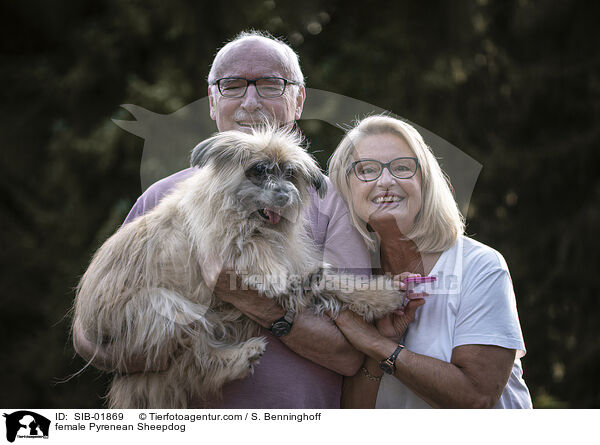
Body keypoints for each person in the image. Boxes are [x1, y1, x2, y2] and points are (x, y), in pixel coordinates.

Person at [72, 31, 371, 408]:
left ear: (298, 101)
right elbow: (93, 325)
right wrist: (138, 355)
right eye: (231, 86)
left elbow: (349, 355)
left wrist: (252, 300)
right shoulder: (161, 197)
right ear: (213, 102)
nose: (250, 101)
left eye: (270, 85)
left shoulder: (334, 206)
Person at [327, 115, 532, 408]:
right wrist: (378, 350)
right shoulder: (354, 282)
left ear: (424, 181)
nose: (386, 181)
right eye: (367, 170)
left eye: (401, 167)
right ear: (345, 189)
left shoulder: (479, 266)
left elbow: (477, 397)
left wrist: (377, 345)